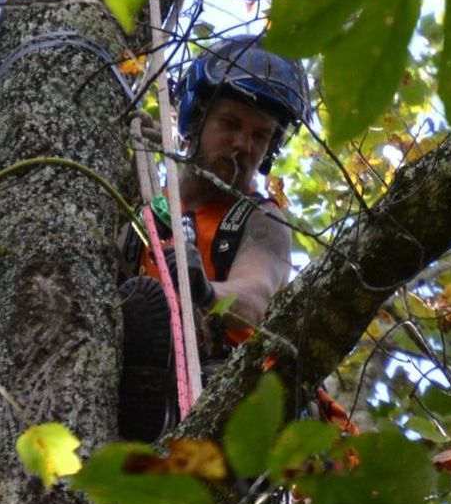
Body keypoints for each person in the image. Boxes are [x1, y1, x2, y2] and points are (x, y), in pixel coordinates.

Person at [116, 36, 309, 442]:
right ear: (196, 121)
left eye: (260, 136)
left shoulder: (261, 218)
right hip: (143, 379)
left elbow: (255, 296)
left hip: (229, 404)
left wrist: (205, 291)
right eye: (231, 124)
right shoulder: (146, 203)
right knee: (135, 303)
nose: (243, 145)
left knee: (148, 308)